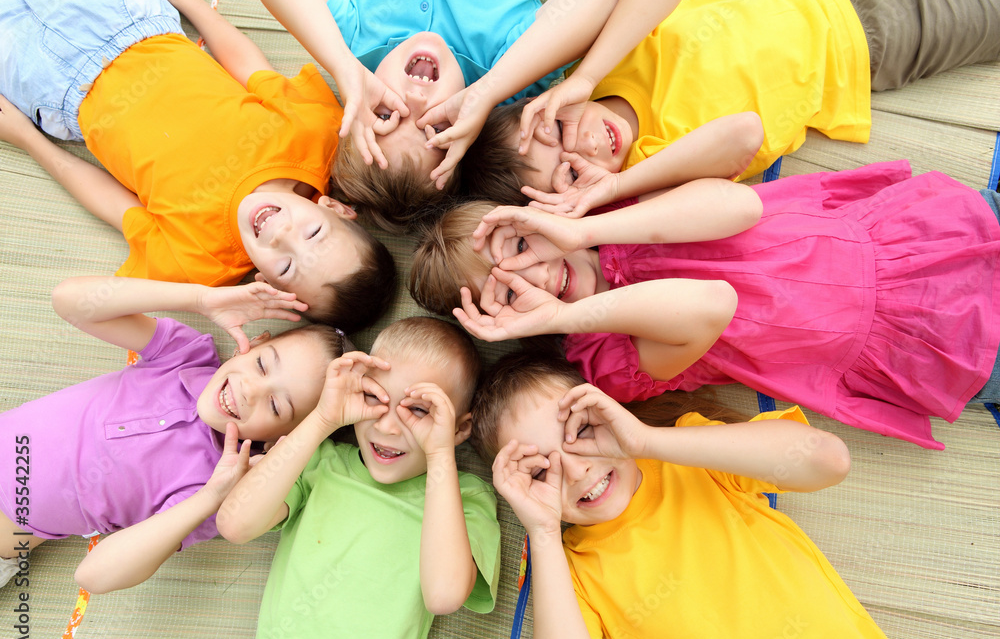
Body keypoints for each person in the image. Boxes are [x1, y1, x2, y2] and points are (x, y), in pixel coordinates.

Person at [409, 157, 1000, 449]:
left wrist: (587, 222)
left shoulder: (618, 215)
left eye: (518, 244)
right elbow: (710, 303)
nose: (534, 271)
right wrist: (562, 316)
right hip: (913, 339)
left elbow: (741, 203)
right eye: (509, 290)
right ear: (507, 323)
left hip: (912, 241)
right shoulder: (605, 358)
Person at [0, 0, 395, 332]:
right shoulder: (315, 137)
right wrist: (188, 2)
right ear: (333, 207)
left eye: (287, 267)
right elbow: (249, 67)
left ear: (266, 284)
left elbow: (112, 205)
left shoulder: (201, 262)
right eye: (311, 233)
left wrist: (26, 138)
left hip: (51, 85)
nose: (280, 234)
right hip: (130, 19)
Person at [474, 351, 903, 639]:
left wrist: (645, 440)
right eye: (539, 471)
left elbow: (828, 461)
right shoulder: (571, 574)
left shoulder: (689, 456)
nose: (576, 470)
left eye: (582, 431)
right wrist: (543, 532)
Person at [461, 0, 1000, 205]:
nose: (580, 148)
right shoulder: (653, 172)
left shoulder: (593, 69)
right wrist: (616, 189)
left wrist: (584, 77)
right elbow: (744, 134)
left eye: (555, 130)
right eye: (572, 177)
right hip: (870, 37)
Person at [0, 275, 348, 593]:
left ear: (281, 439)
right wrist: (201, 299)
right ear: (255, 342)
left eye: (276, 406)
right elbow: (69, 300)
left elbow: (93, 576)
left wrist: (211, 497)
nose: (249, 391)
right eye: (261, 364)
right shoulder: (185, 356)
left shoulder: (212, 487)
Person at [217, 316, 501, 639]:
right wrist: (323, 419)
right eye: (375, 397)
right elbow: (233, 525)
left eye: (418, 411)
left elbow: (443, 597)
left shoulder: (465, 498)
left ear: (460, 429)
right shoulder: (321, 463)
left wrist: (440, 453)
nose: (387, 426)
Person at [258, 0, 662, 231]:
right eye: (435, 126)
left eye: (386, 114)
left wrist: (342, 65)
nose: (415, 101)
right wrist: (490, 89)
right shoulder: (510, 73)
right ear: (468, 133)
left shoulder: (352, 42)